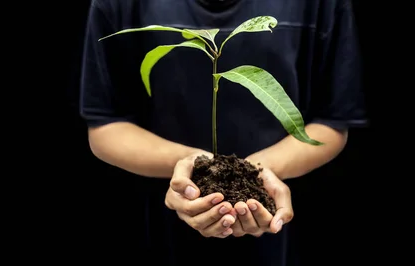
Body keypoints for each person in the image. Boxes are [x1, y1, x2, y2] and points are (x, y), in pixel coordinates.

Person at [79, 0, 367, 265]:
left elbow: (333, 121)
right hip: (158, 229)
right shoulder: (119, 5)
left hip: (281, 239)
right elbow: (105, 126)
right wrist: (194, 166)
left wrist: (254, 173)